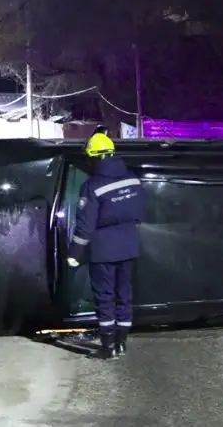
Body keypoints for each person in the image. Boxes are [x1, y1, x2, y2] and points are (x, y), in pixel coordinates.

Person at [67, 132, 145, 359]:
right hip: (129, 246)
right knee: (124, 295)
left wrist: (74, 253)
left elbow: (85, 226)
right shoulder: (132, 178)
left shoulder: (91, 186)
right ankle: (121, 343)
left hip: (103, 250)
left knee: (104, 297)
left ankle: (108, 346)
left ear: (92, 158)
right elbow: (139, 213)